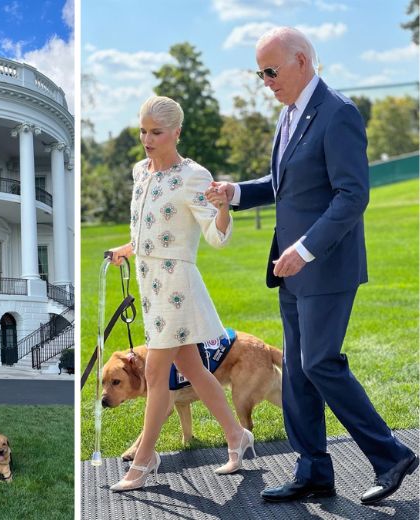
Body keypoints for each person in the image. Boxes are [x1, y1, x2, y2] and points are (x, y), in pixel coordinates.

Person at [206, 27, 417, 504]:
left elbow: (352, 195)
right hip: (292, 271)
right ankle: (314, 471)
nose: (265, 81)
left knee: (320, 361)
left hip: (323, 266)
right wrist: (236, 193)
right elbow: (284, 183)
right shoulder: (288, 116)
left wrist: (304, 249)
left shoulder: (338, 113)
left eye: (271, 70)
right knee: (300, 371)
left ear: (302, 61)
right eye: (259, 72)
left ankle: (391, 456)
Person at [106, 96, 253, 492]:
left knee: (155, 372)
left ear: (176, 132)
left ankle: (144, 459)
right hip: (149, 284)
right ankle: (237, 436)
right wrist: (126, 249)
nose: (147, 139)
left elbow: (216, 236)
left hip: (177, 288)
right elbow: (145, 231)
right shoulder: (140, 172)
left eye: (156, 132)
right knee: (191, 368)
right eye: (143, 131)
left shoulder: (193, 175)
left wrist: (223, 208)